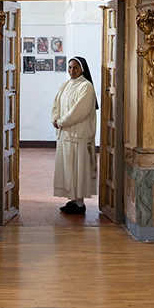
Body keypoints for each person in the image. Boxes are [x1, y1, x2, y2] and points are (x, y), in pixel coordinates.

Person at [51, 56, 98, 215]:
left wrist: (62, 121)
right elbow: (56, 104)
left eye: (75, 68)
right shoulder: (66, 85)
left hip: (79, 135)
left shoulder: (86, 87)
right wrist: (55, 119)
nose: (72, 71)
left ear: (82, 69)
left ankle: (79, 203)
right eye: (70, 67)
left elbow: (79, 111)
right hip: (65, 135)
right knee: (68, 170)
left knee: (78, 170)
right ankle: (72, 200)